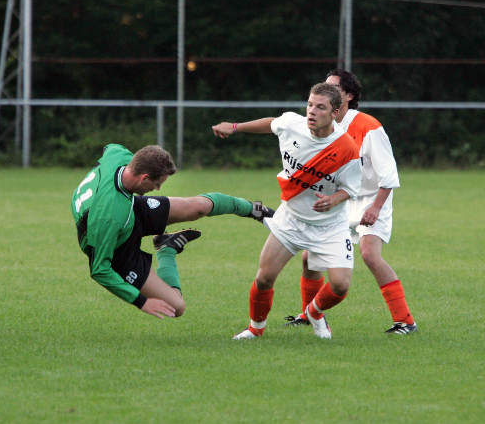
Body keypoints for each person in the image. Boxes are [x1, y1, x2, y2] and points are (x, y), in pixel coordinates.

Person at [212, 83, 361, 339]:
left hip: (329, 226)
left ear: (335, 112)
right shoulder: (293, 124)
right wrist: (235, 127)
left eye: (320, 107)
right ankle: (255, 330)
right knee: (264, 278)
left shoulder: (347, 149)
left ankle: (314, 312)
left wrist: (333, 200)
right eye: (310, 104)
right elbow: (271, 123)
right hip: (291, 219)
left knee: (340, 286)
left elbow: (351, 189)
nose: (312, 111)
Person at [71, 143, 274, 319]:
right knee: (176, 307)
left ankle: (257, 211)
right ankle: (167, 249)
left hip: (131, 209)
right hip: (118, 248)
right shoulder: (108, 217)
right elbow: (100, 270)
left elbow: (110, 147)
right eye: (157, 184)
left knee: (197, 207)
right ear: (144, 178)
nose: (158, 189)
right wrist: (141, 301)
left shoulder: (119, 156)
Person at [283, 69, 417, 335]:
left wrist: (375, 208)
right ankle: (309, 314)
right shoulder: (322, 124)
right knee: (310, 258)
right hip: (341, 202)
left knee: (369, 254)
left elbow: (389, 175)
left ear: (349, 96)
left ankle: (405, 321)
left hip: (371, 199)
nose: (326, 90)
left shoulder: (368, 126)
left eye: (333, 87)